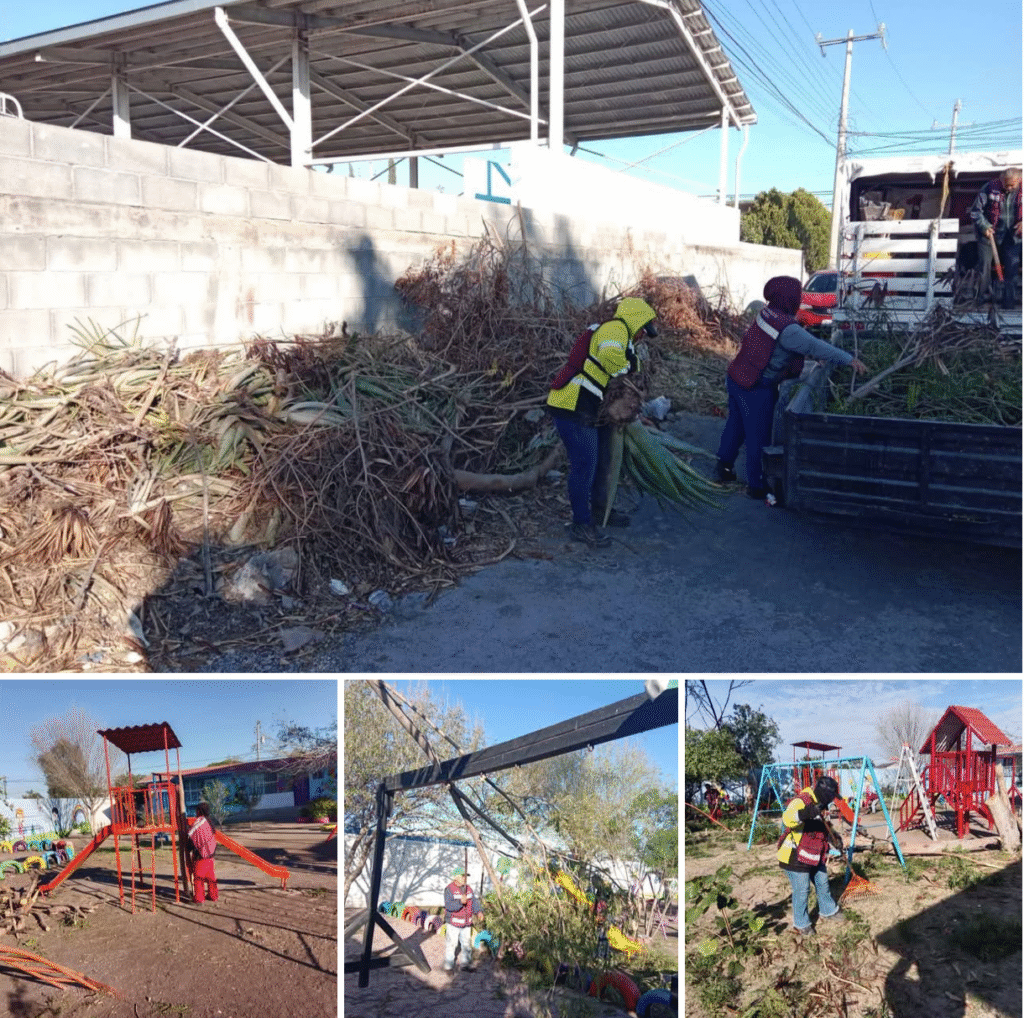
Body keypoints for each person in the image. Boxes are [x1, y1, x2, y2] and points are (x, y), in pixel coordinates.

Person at [714, 276, 867, 499]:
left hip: (737, 377)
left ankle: (723, 468)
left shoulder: (767, 312)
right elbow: (816, 345)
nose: (799, 300)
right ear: (789, 299)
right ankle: (756, 486)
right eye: (797, 297)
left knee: (736, 426)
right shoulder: (788, 329)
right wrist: (848, 359)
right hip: (756, 387)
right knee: (758, 436)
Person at [546, 297, 659, 547]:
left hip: (591, 408)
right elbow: (609, 357)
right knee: (584, 467)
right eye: (642, 329)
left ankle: (600, 512)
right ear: (635, 322)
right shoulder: (615, 330)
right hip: (572, 405)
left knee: (601, 463)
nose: (642, 335)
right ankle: (581, 524)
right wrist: (628, 375)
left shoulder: (625, 338)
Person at [777, 776, 846, 936]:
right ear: (825, 794)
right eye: (831, 798)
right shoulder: (801, 801)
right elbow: (787, 820)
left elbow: (822, 825)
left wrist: (833, 837)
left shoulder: (821, 805)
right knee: (802, 890)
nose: (831, 802)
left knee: (822, 881)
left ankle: (828, 910)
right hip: (794, 855)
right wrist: (808, 812)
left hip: (813, 852)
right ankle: (801, 923)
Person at [969, 167, 1022, 308]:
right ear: (1001, 180)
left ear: (1019, 180)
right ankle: (980, 300)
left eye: (1012, 185)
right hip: (989, 234)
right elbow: (975, 212)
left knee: (1012, 268)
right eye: (1006, 185)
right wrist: (984, 226)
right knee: (984, 266)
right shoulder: (989, 188)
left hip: (1013, 236)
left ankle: (1008, 303)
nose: (1009, 188)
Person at [442, 865, 483, 975]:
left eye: (465, 876)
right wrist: (460, 902)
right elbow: (449, 906)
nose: (465, 878)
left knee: (466, 944)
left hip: (467, 923)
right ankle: (448, 967)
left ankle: (465, 964)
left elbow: (474, 902)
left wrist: (478, 911)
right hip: (453, 923)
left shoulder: (469, 889)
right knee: (451, 944)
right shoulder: (449, 889)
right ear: (455, 877)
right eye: (462, 876)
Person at [187, 802, 219, 906]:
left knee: (198, 878)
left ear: (199, 811)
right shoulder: (209, 822)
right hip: (211, 855)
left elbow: (192, 839)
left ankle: (199, 899)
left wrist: (188, 848)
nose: (196, 812)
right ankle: (213, 896)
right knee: (211, 878)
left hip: (201, 856)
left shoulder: (199, 823)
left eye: (197, 810)